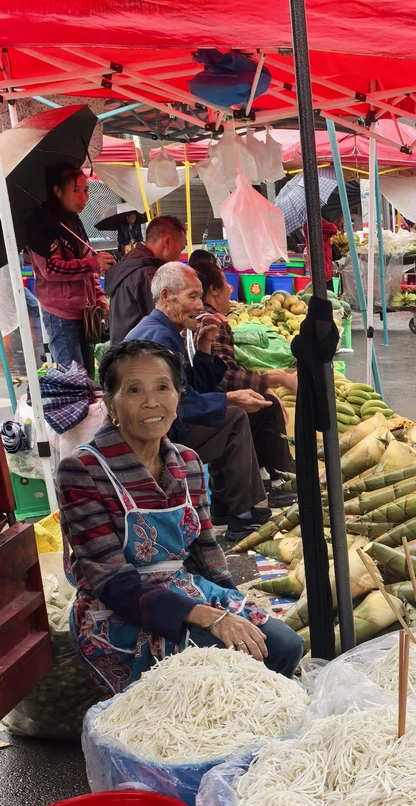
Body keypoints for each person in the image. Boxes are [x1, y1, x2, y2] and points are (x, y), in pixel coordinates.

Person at [58, 340, 303, 694]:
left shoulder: (186, 461)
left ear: (178, 397)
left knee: (283, 645)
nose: (151, 402)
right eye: (133, 390)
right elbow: (111, 583)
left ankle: (250, 735)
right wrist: (209, 617)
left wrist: (238, 607)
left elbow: (205, 550)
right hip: (119, 612)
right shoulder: (83, 470)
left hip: (184, 589)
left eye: (163, 387)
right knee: (222, 673)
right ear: (111, 404)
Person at [126, 263, 269, 539]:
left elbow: (189, 388)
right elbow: (177, 405)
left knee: (225, 415)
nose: (199, 305)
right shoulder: (157, 338)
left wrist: (204, 347)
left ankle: (227, 509)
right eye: (192, 296)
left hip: (165, 425)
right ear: (166, 296)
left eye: (199, 296)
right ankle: (242, 514)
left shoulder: (167, 330)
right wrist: (229, 398)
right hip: (157, 436)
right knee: (234, 417)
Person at [195, 262, 296, 487]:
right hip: (203, 411)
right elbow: (226, 376)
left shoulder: (203, 318)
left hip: (201, 403)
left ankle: (265, 473)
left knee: (261, 399)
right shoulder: (212, 322)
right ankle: (281, 478)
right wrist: (274, 380)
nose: (231, 289)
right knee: (266, 404)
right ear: (213, 289)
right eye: (226, 284)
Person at [25, 163, 114, 376]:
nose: (83, 197)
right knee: (73, 378)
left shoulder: (73, 221)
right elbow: (51, 269)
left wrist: (99, 297)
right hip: (61, 315)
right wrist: (93, 264)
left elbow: (87, 264)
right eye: (76, 190)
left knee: (88, 377)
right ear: (57, 191)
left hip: (85, 312)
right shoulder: (41, 225)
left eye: (86, 190)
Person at [105, 215, 186, 344]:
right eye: (181, 249)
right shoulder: (148, 273)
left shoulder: (131, 262)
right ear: (167, 242)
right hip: (138, 355)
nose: (180, 256)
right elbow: (164, 319)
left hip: (123, 351)